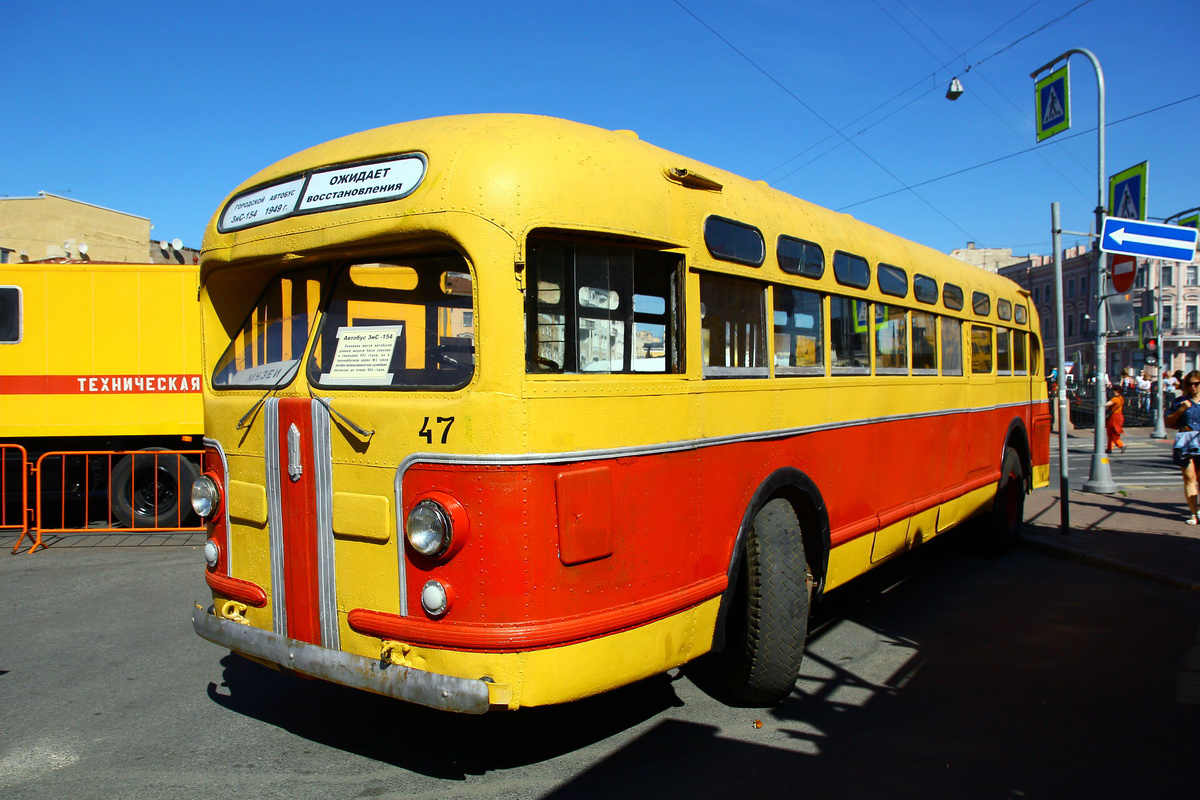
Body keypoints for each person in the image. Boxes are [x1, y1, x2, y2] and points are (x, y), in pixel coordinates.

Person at [1166, 370, 1200, 524]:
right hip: (1186, 440)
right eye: (1190, 384)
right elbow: (1169, 422)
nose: (1193, 387)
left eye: (1196, 384)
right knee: (1189, 477)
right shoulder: (1180, 401)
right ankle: (1193, 514)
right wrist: (1181, 410)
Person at [1104, 388, 1125, 454]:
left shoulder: (1115, 399)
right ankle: (1109, 448)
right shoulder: (1121, 398)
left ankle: (1121, 445)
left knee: (1112, 432)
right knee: (1111, 432)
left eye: (1113, 390)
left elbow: (1106, 404)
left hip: (1114, 417)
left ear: (1116, 391)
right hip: (1119, 416)